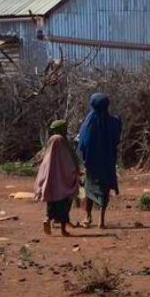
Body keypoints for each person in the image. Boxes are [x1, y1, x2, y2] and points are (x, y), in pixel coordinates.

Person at [77, 93, 121, 228]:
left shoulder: (90, 120)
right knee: (104, 190)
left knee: (89, 189)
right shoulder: (113, 122)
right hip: (107, 161)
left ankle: (87, 217)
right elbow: (116, 138)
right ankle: (101, 220)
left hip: (92, 162)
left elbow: (83, 141)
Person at [34, 120, 79, 236]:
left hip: (51, 180)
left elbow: (44, 161)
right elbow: (71, 159)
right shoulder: (62, 141)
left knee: (51, 204)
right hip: (63, 180)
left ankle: (47, 219)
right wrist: (76, 171)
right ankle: (63, 230)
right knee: (64, 205)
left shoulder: (51, 141)